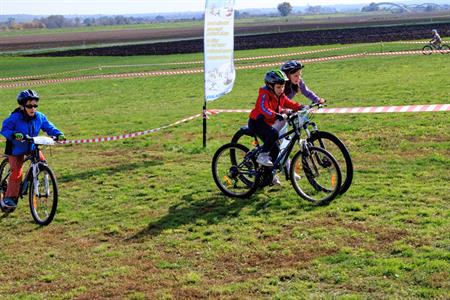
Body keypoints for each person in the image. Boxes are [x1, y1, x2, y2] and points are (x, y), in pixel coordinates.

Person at [0, 89, 65, 211]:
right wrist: (14, 135)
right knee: (16, 172)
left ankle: (38, 182)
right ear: (22, 106)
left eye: (35, 105)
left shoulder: (39, 117)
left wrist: (58, 134)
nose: (33, 108)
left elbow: (49, 127)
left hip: (32, 146)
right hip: (16, 149)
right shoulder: (15, 117)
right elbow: (5, 129)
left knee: (42, 164)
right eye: (29, 106)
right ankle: (10, 197)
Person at [248, 70, 304, 184]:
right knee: (274, 134)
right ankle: (262, 155)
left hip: (267, 123)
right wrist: (277, 115)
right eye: (278, 87)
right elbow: (263, 108)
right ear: (270, 86)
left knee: (276, 150)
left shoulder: (280, 95)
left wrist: (301, 107)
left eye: (283, 87)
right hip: (257, 122)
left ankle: (269, 176)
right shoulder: (264, 94)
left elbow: (289, 103)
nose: (281, 90)